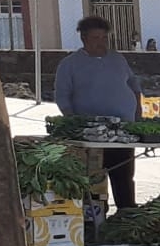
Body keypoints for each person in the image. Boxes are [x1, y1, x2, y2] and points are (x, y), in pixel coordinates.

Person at [53, 15, 142, 211]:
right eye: (96, 38)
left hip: (123, 130)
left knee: (124, 175)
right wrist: (73, 122)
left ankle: (127, 211)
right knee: (93, 179)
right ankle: (96, 215)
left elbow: (134, 85)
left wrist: (138, 115)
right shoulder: (70, 64)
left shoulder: (118, 59)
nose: (101, 42)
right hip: (91, 133)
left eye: (104, 38)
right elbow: (62, 96)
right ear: (83, 38)